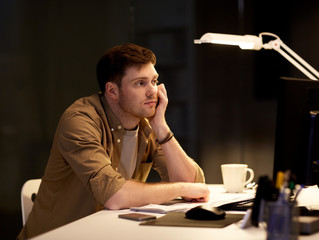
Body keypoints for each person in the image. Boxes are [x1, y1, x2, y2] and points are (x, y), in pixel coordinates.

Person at [18, 43, 209, 239]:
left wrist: (161, 127)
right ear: (112, 91)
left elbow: (194, 187)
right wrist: (181, 188)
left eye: (154, 81)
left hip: (107, 233)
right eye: (140, 83)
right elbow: (115, 196)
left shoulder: (146, 125)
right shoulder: (80, 120)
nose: (153, 91)